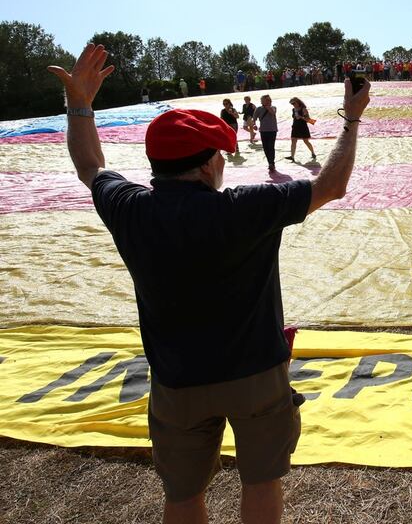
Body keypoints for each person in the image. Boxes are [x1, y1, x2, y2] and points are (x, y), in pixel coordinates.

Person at [47, 42, 371, 524]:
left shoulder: (130, 208)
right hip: (255, 376)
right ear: (205, 165)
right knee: (260, 481)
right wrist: (350, 118)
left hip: (177, 381)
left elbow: (89, 166)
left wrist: (80, 107)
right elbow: (331, 185)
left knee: (182, 495)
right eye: (219, 156)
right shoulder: (243, 207)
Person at [285, 97, 316, 162]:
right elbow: (294, 117)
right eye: (291, 104)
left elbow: (308, 119)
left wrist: (301, 117)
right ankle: (292, 156)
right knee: (293, 141)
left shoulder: (303, 109)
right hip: (295, 126)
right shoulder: (293, 109)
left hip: (303, 127)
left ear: (298, 102)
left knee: (306, 141)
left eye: (294, 103)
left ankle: (313, 153)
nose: (293, 105)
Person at [254, 95, 279, 172]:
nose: (261, 101)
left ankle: (272, 163)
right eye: (261, 100)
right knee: (265, 147)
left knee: (271, 146)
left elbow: (272, 112)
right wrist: (254, 124)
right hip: (263, 130)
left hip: (272, 130)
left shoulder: (273, 107)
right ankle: (270, 162)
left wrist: (267, 105)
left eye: (263, 100)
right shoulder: (258, 109)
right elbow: (254, 118)